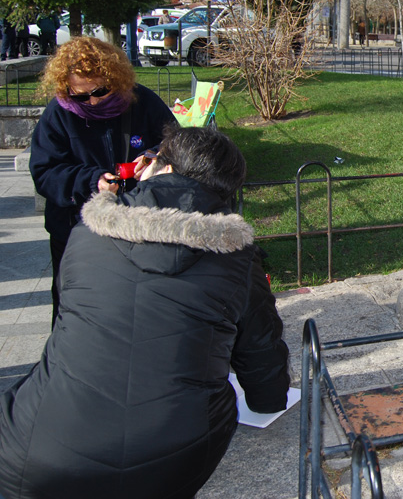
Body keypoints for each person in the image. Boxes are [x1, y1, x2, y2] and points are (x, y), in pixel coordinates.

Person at [0, 125, 291, 499]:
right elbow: (262, 358)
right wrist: (267, 400)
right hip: (170, 461)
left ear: (165, 168)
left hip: (35, 455)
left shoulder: (85, 234)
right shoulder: (236, 258)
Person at [29, 36, 176, 325]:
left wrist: (153, 157)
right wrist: (91, 181)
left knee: (133, 305)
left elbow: (174, 142)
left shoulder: (142, 101)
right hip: (76, 228)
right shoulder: (57, 114)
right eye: (81, 96)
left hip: (137, 223)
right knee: (75, 305)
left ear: (115, 79)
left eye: (100, 91)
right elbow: (45, 172)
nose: (93, 101)